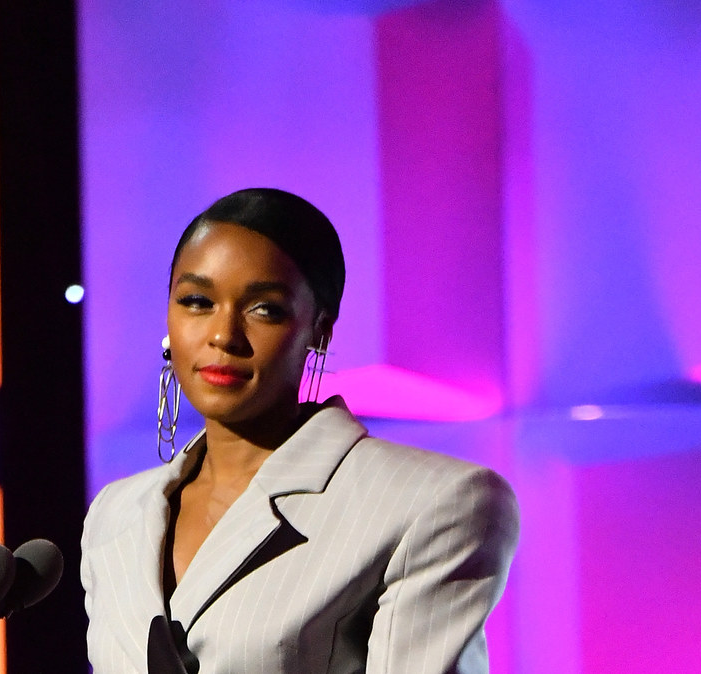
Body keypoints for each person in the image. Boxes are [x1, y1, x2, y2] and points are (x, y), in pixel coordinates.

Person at [80, 188, 519, 673]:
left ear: (319, 329)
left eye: (265, 309)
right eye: (198, 301)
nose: (224, 335)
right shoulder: (115, 516)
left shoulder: (432, 503)